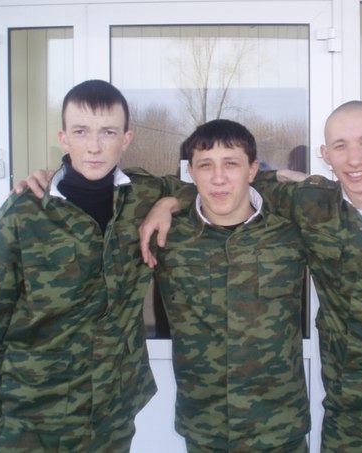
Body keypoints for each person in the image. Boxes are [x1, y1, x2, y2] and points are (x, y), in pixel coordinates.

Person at [142, 101, 362, 452]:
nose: (354, 158)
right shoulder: (310, 210)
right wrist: (171, 200)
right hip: (338, 425)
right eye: (341, 146)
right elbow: (227, 184)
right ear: (326, 154)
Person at [0, 79, 186, 451]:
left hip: (111, 409)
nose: (94, 146)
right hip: (31, 410)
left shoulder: (144, 194)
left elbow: (215, 185)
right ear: (63, 138)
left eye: (108, 132)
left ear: (126, 139)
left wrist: (167, 204)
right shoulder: (24, 211)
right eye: (81, 132)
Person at [153, 119, 310, 452]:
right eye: (205, 165)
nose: (219, 177)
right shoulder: (168, 236)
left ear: (252, 170)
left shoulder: (291, 230)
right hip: (205, 430)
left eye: (231, 164)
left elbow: (355, 194)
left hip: (280, 429)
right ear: (190, 172)